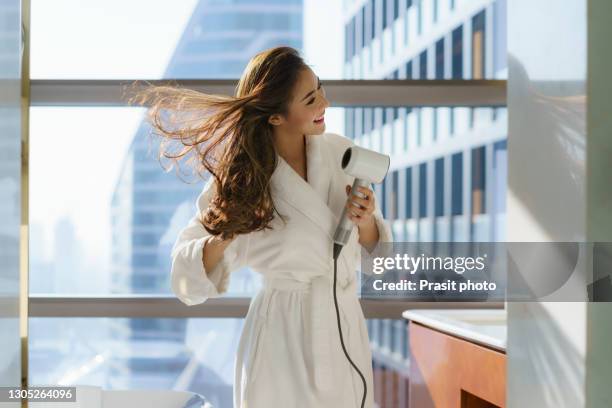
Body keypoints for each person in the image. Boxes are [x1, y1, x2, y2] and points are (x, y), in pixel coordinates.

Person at [129, 46, 393, 408]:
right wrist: (227, 232)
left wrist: (365, 222)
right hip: (280, 337)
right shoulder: (243, 182)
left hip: (343, 327)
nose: (325, 104)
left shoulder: (340, 153)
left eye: (321, 90)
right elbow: (184, 277)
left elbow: (378, 259)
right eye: (311, 99)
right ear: (275, 117)